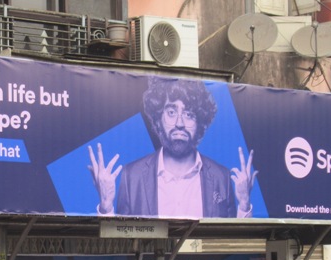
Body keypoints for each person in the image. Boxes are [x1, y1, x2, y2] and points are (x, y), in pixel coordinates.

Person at [88, 76, 257, 218]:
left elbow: (229, 243)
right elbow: (120, 244)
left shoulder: (222, 177)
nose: (179, 123)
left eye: (189, 114)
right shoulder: (131, 175)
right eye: (171, 112)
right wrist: (106, 206)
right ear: (158, 118)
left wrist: (244, 205)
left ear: (200, 122)